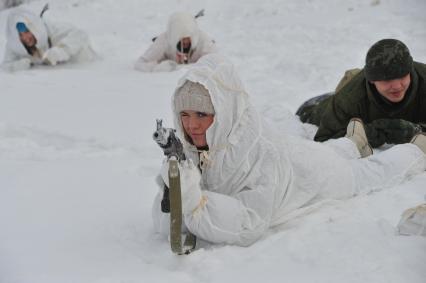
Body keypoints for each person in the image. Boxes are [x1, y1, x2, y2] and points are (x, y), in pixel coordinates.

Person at [152, 54, 426, 247]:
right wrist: (171, 192)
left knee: (366, 172)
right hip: (298, 155)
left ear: (224, 113)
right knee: (331, 152)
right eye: (184, 114)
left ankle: (417, 150)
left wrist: (196, 204)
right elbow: (169, 225)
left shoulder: (259, 156)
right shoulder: (200, 143)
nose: (192, 125)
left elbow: (250, 222)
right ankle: (353, 144)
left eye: (202, 114)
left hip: (316, 176)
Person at [296, 39, 426, 148]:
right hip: (315, 106)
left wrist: (415, 130)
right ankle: (348, 80)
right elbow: (324, 138)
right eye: (387, 79)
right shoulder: (349, 99)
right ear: (372, 80)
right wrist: (375, 131)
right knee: (328, 104)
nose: (397, 86)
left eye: (402, 76)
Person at [2, 8, 97, 72]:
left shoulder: (52, 30)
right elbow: (5, 66)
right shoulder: (15, 45)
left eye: (27, 31)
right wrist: (17, 66)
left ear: (34, 28)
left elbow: (80, 35)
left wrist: (62, 50)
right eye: (21, 35)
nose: (25, 38)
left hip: (85, 69)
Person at [135, 11, 217, 72]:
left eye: (188, 39)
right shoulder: (164, 39)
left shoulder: (203, 39)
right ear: (173, 36)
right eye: (181, 40)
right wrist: (162, 68)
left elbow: (215, 64)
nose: (185, 42)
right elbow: (141, 64)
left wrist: (181, 68)